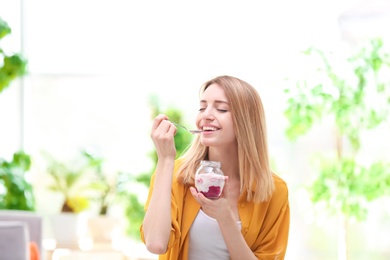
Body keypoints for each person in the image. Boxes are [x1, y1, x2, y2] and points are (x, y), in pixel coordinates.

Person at [140, 75, 290, 259]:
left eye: (221, 109)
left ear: (246, 122)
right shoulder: (173, 174)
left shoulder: (275, 191)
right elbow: (155, 243)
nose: (206, 115)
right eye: (202, 107)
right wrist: (165, 160)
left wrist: (225, 217)